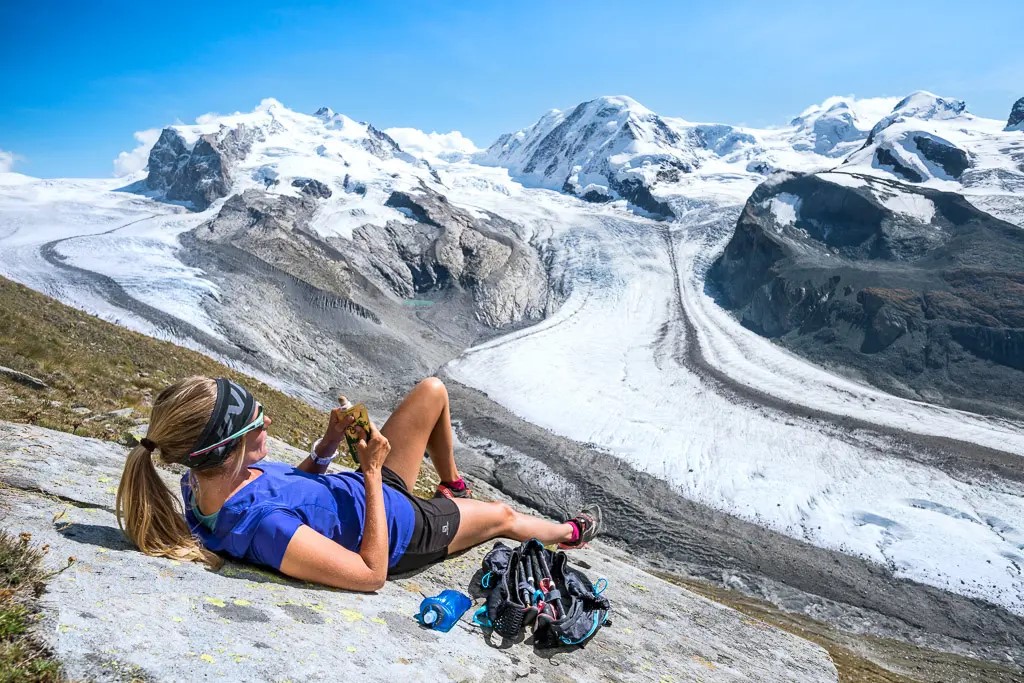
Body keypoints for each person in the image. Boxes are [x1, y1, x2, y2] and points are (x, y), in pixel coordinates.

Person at [115, 376, 601, 592]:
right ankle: (569, 535)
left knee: (432, 391)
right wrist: (370, 473)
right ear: (227, 447)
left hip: (369, 492)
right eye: (256, 424)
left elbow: (293, 491)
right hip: (404, 528)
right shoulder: (264, 529)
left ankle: (451, 483)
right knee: (504, 517)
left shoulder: (197, 482)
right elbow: (370, 575)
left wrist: (328, 443)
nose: (266, 426)